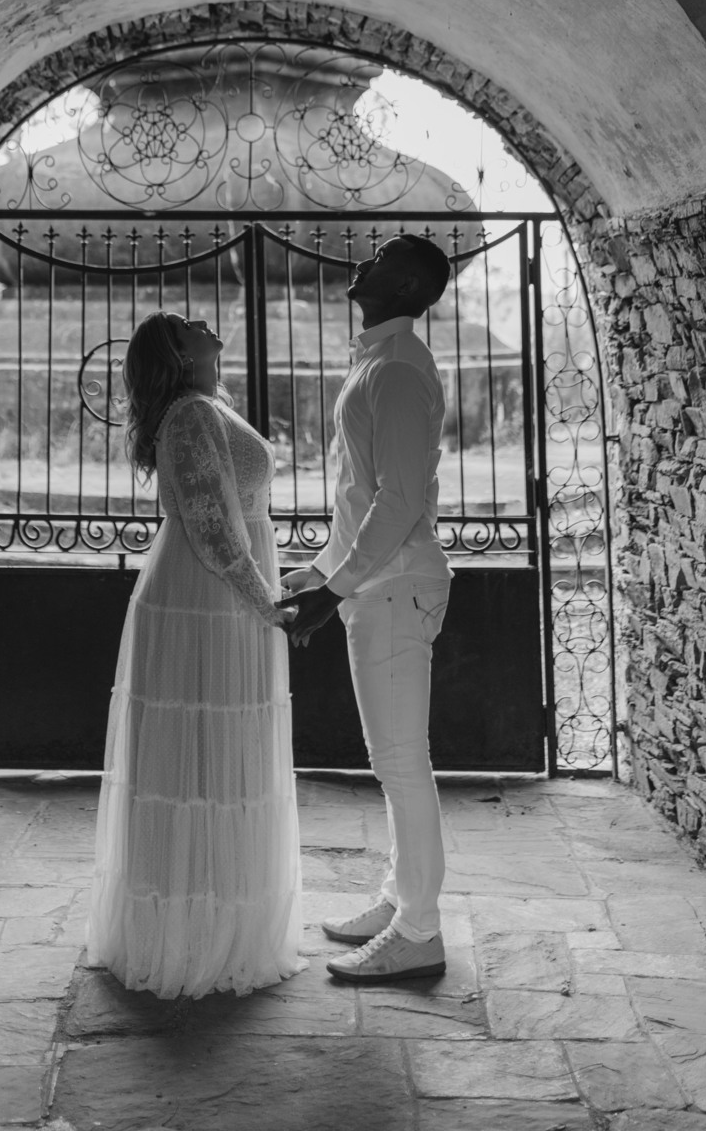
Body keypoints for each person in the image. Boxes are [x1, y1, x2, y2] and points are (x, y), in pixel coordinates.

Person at [89, 311, 304, 998]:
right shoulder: (189, 415)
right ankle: (188, 935)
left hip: (224, 593)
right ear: (179, 356)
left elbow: (231, 510)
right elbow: (212, 528)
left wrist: (271, 588)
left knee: (222, 758)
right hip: (207, 595)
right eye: (187, 325)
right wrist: (266, 601)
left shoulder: (210, 406)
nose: (203, 320)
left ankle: (220, 913)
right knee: (197, 761)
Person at [283, 233, 453, 984]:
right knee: (393, 763)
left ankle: (419, 931)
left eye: (382, 256)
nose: (363, 261)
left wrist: (334, 589)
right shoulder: (379, 360)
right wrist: (322, 570)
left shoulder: (400, 368)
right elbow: (360, 496)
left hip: (394, 586)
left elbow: (399, 499)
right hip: (377, 583)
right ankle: (398, 899)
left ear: (409, 285)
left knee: (402, 764)